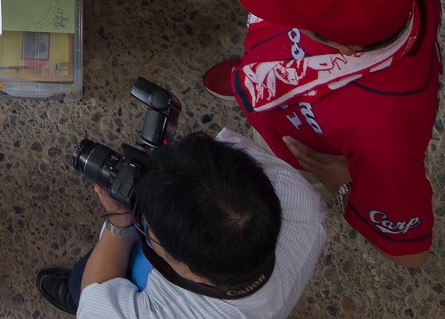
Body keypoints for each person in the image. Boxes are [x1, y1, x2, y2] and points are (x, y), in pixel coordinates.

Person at [202, 0, 442, 267]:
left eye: (294, 14)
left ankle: (263, 83)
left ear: (344, 48)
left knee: (271, 174)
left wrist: (344, 184)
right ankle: (259, 73)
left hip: (302, 141)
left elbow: (413, 253)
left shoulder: (386, 132)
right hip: (303, 78)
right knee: (260, 63)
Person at [36, 130, 326, 317]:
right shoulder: (296, 194)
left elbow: (95, 292)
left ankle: (73, 294)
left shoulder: (171, 313)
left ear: (193, 274)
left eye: (151, 230)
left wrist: (121, 219)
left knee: (81, 283)